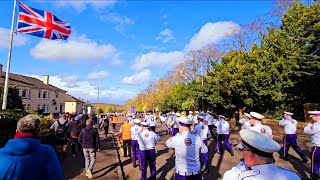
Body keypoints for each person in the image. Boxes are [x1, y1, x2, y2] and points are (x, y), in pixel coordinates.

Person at [0, 114, 62, 179]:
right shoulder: (47, 152)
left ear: (16, 131)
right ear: (38, 131)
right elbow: (56, 177)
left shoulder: (1, 153)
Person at [223, 129, 300, 180]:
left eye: (243, 149)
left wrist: (240, 167)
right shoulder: (292, 175)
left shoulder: (242, 177)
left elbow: (229, 176)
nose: (241, 153)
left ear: (250, 156)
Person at [304, 110, 320, 180]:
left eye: (312, 117)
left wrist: (310, 124)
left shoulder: (317, 125)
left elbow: (306, 131)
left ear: (316, 117)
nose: (311, 119)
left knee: (315, 165)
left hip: (318, 147)